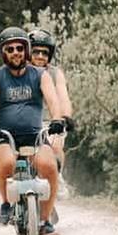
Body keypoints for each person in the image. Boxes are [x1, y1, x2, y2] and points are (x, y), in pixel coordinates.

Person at [0, 27, 66, 235]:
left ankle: (45, 221)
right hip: (4, 136)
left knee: (49, 166)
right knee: (7, 162)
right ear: (3, 53)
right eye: (10, 49)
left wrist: (57, 119)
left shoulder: (40, 74)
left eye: (20, 48)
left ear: (26, 50)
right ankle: (5, 204)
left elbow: (52, 99)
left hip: (35, 135)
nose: (16, 52)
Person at [29, 28, 75, 202]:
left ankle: (57, 177)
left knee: (55, 145)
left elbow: (63, 96)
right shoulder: (21, 72)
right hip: (27, 122)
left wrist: (66, 117)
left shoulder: (55, 73)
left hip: (50, 121)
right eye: (36, 52)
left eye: (44, 52)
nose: (40, 56)